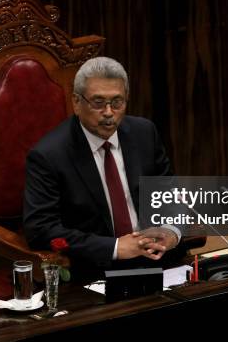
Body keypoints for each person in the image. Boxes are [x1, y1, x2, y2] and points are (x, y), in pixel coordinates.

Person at [23, 56, 182, 277]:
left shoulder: (144, 133)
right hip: (95, 269)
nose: (109, 112)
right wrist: (115, 248)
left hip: (158, 259)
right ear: (76, 103)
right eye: (98, 103)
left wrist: (170, 232)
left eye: (117, 102)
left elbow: (170, 195)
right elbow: (41, 229)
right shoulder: (49, 155)